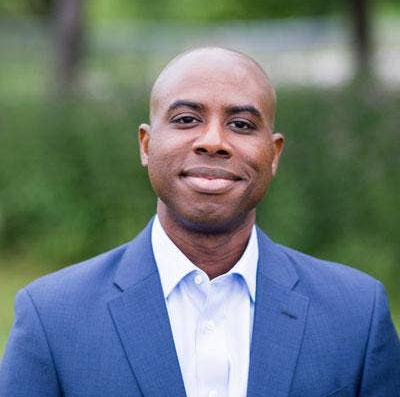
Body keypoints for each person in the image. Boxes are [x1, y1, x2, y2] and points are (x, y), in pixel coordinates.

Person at [0, 47, 399, 397]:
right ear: (146, 144)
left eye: (241, 125)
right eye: (187, 119)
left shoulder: (356, 315)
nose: (213, 141)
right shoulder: (52, 318)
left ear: (274, 154)